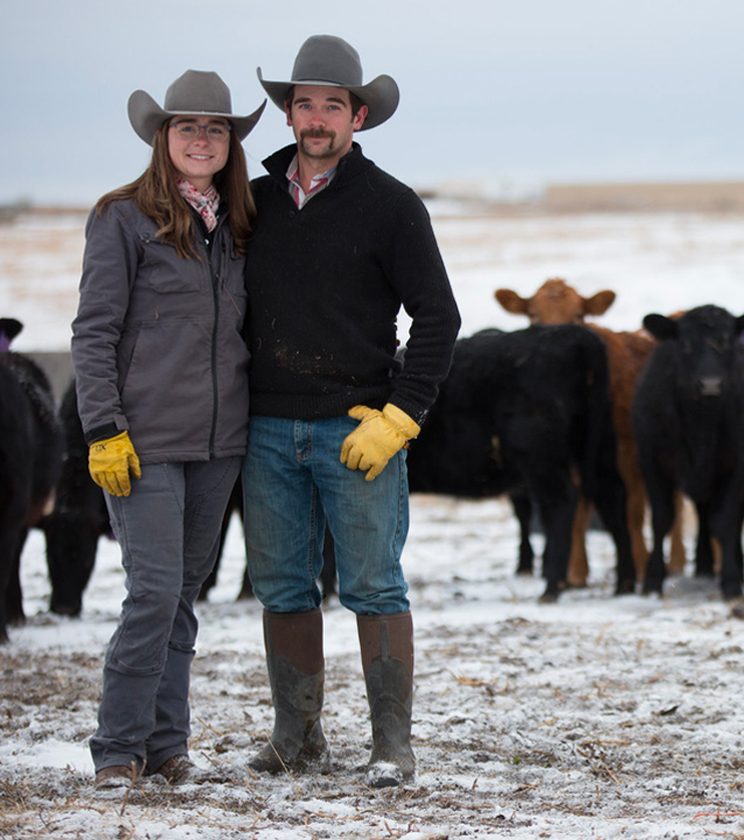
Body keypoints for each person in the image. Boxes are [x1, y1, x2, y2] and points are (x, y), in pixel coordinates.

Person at [243, 35, 460, 787]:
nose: (316, 119)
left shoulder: (391, 205)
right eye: (303, 104)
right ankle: (296, 739)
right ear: (288, 113)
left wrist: (402, 416)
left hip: (357, 426)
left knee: (373, 584)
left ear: (357, 116)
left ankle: (391, 745)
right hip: (265, 427)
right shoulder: (256, 202)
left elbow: (438, 317)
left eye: (332, 105)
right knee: (281, 585)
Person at [72, 70, 263, 790]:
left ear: (230, 142)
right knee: (152, 593)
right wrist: (103, 429)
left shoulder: (238, 227)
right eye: (187, 127)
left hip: (218, 445)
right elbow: (93, 333)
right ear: (163, 137)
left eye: (216, 128)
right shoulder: (122, 218)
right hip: (144, 442)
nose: (202, 139)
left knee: (183, 596)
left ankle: (167, 745)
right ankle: (117, 750)